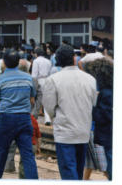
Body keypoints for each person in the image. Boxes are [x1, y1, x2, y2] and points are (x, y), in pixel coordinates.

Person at [42, 44, 97, 180]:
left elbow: (49, 107)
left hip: (65, 132)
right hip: (84, 130)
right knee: (78, 169)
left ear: (58, 60)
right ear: (74, 58)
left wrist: (58, 117)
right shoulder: (90, 79)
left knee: (68, 170)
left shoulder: (53, 80)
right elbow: (94, 103)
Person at [0, 49, 38, 179]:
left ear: (3, 62)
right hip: (24, 118)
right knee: (27, 155)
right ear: (19, 62)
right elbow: (32, 101)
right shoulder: (28, 79)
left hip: (6, 118)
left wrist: (1, 113)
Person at [88, 58, 113, 180]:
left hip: (107, 134)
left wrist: (93, 108)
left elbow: (103, 117)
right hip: (108, 134)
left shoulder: (106, 94)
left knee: (111, 165)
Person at [31, 47, 52, 125]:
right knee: (46, 100)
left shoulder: (36, 61)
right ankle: (48, 119)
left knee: (37, 100)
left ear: (36, 54)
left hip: (39, 81)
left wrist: (34, 85)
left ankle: (34, 116)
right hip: (48, 80)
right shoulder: (48, 61)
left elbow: (34, 75)